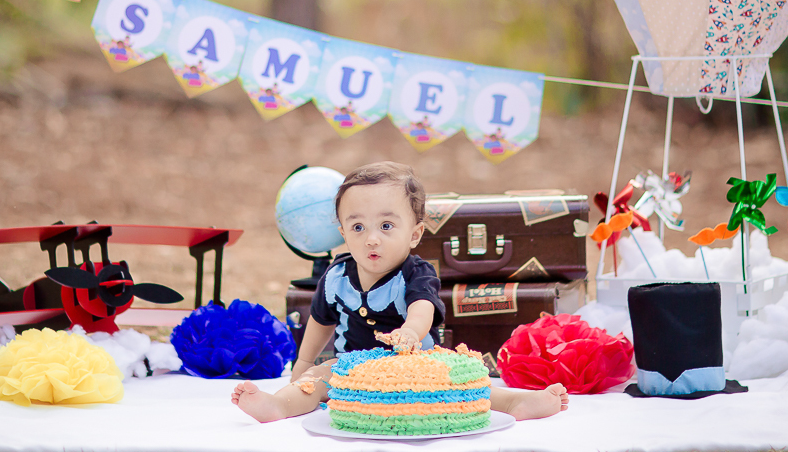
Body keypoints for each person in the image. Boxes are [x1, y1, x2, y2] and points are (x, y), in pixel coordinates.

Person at [232, 161, 569, 422]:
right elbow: (321, 321)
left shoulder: (415, 273)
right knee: (317, 379)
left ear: (415, 234)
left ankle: (515, 402)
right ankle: (278, 406)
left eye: (387, 226)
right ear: (343, 232)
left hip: (416, 364)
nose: (372, 238)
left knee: (461, 383)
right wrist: (303, 363)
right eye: (358, 226)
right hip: (354, 370)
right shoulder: (335, 276)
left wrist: (410, 330)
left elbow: (422, 307)